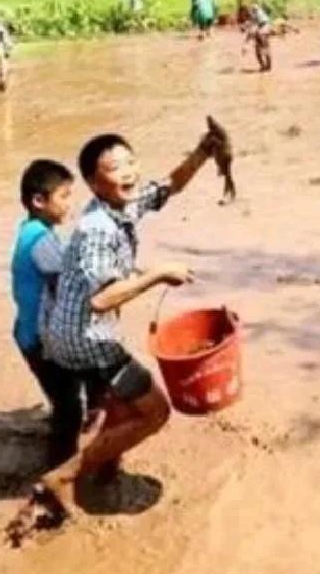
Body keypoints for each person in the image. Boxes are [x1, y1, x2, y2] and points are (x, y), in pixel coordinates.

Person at [37, 128, 223, 517]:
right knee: (155, 411)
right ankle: (64, 476)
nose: (127, 172)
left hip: (72, 330)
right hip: (85, 340)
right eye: (114, 167)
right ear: (92, 181)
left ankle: (105, 468)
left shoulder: (118, 207)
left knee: (121, 408)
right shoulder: (95, 230)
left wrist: (204, 152)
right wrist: (157, 274)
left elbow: (167, 188)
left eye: (129, 162)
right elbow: (102, 299)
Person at [11, 159, 82, 461]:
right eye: (64, 196)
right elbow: (72, 285)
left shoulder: (31, 229)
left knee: (63, 397)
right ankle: (58, 471)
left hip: (28, 333)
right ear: (39, 201)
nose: (70, 204)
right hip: (41, 342)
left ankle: (61, 446)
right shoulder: (41, 241)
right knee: (70, 408)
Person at [243, 1, 273, 72]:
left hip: (262, 30)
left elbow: (251, 32)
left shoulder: (255, 16)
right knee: (266, 49)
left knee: (260, 50)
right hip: (266, 29)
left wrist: (245, 44)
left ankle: (264, 66)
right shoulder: (261, 14)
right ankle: (268, 66)